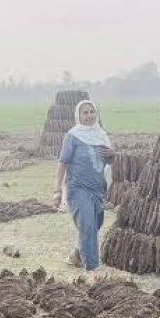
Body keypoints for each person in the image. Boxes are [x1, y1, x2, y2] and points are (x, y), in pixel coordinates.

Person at [53, 100, 115, 272]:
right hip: (78, 188)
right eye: (85, 113)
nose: (89, 116)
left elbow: (109, 161)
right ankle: (92, 269)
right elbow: (62, 164)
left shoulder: (101, 136)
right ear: (78, 116)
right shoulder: (72, 136)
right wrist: (57, 191)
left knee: (95, 225)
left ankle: (76, 255)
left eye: (91, 112)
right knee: (87, 225)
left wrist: (113, 155)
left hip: (98, 188)